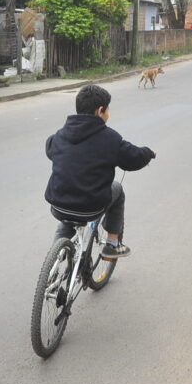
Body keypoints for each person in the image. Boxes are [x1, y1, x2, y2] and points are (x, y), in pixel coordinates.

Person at [44, 84, 155, 258]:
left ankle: (53, 264)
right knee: (117, 190)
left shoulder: (59, 135)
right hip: (90, 207)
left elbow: (50, 150)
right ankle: (112, 243)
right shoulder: (110, 139)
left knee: (67, 220)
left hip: (58, 204)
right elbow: (133, 158)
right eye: (108, 109)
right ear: (100, 110)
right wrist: (148, 153)